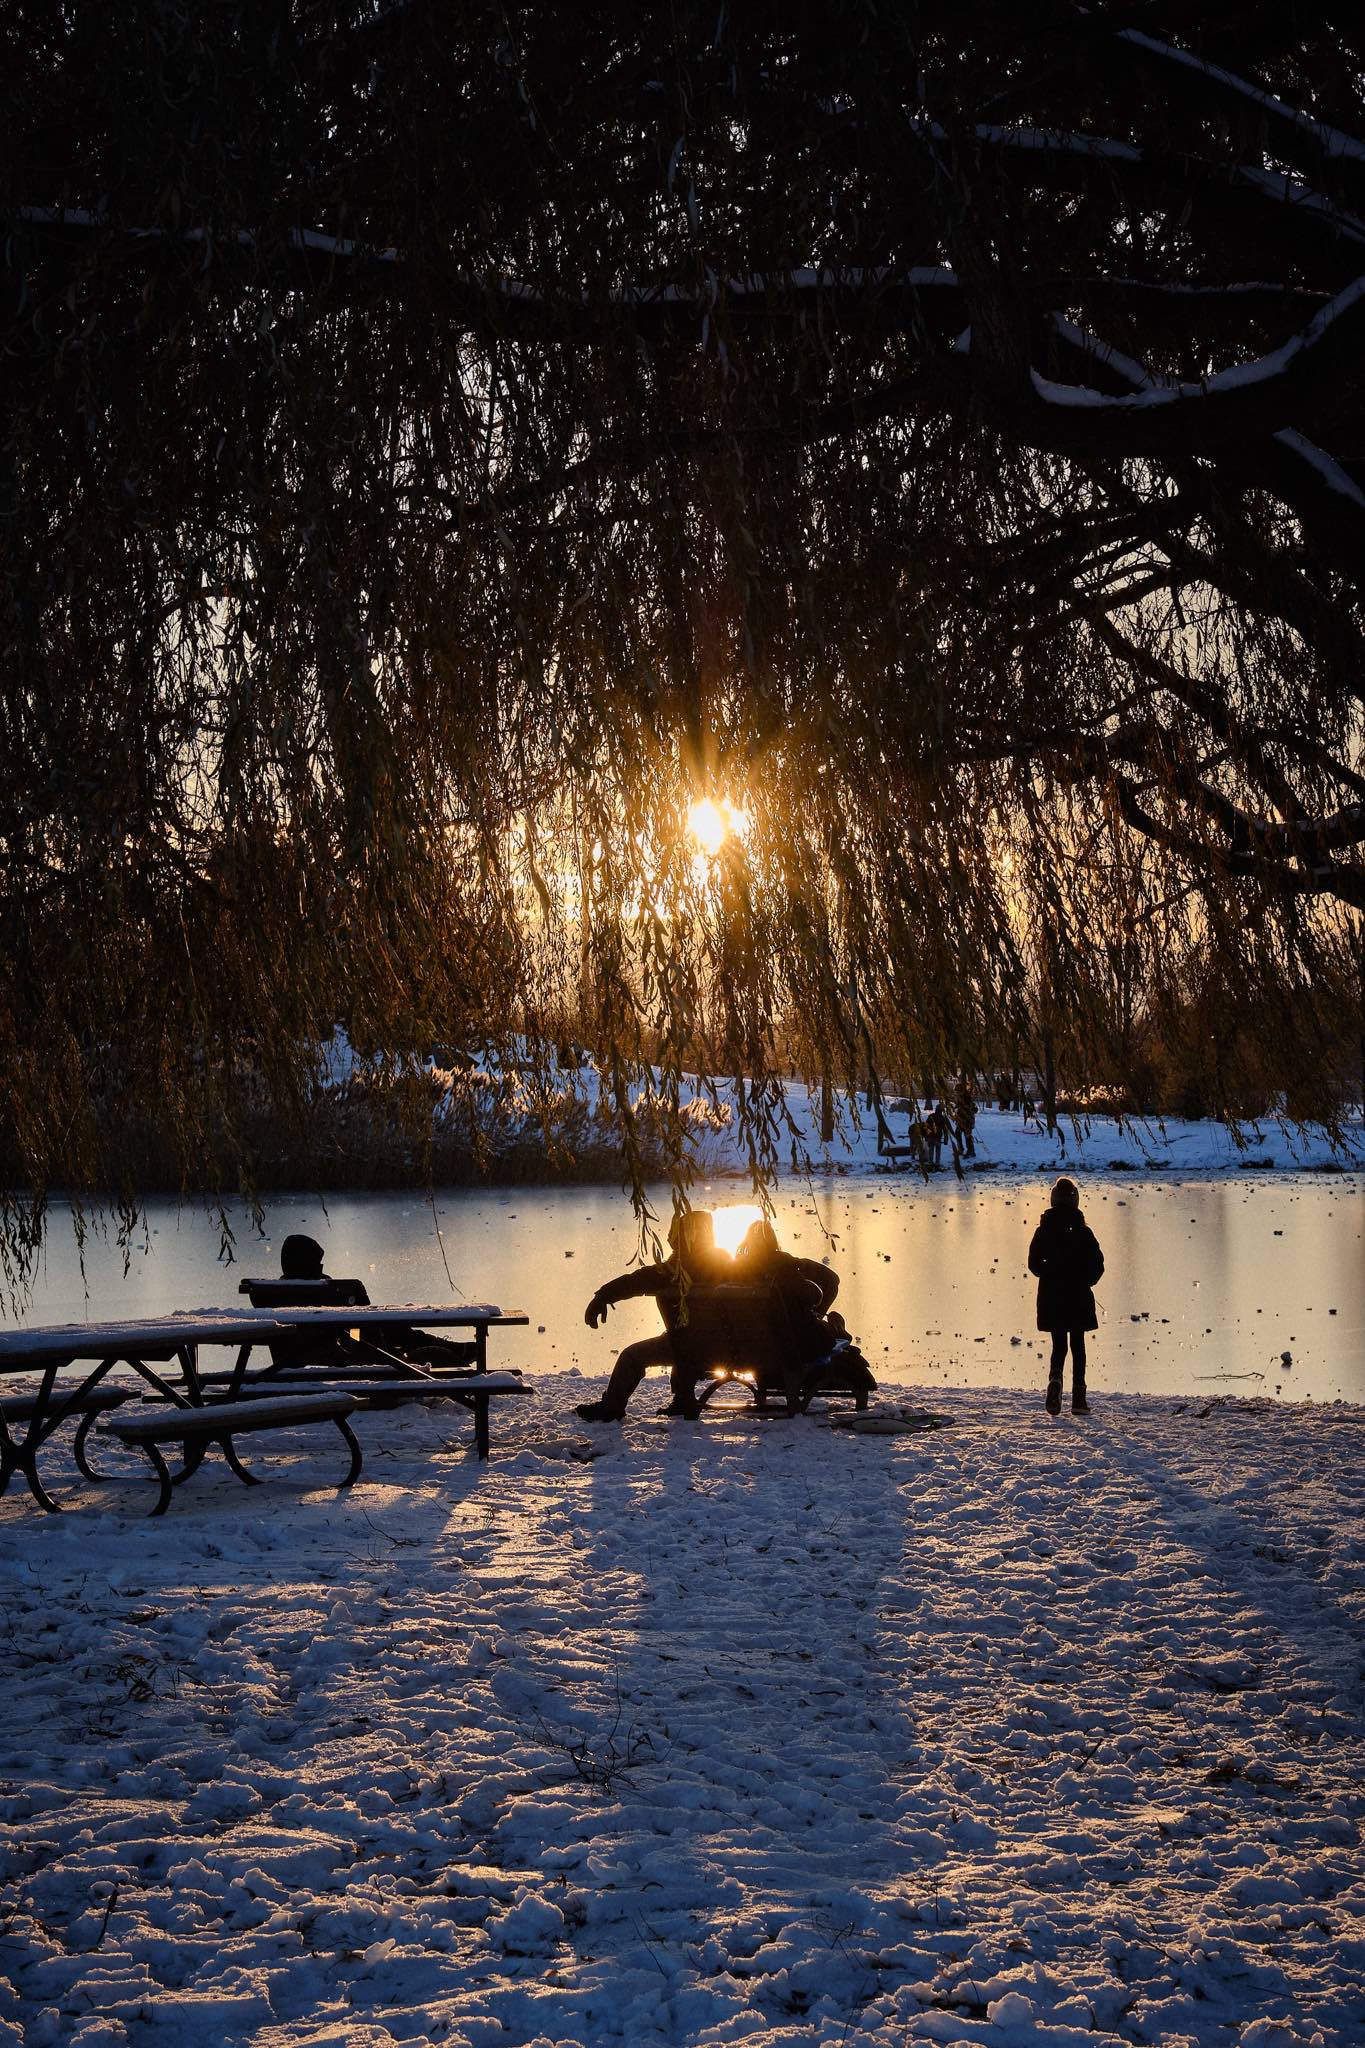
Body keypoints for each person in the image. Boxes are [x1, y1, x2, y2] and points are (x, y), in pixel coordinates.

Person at [575, 1210, 731, 1422]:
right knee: (680, 1336)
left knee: (633, 1356)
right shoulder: (728, 1264)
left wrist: (602, 1297)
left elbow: (634, 1282)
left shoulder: (671, 1271)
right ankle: (682, 1399)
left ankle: (611, 1408)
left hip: (688, 1349)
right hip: (727, 1347)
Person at [1027, 1178, 1104, 1415]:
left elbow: (1034, 1264)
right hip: (1078, 1295)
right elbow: (1098, 1264)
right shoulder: (1083, 1231)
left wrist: (1050, 1274)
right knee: (1078, 1345)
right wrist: (1085, 1279)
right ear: (1075, 1200)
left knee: (1059, 1344)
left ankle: (1055, 1381)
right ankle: (1079, 1398)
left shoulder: (1043, 1230)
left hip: (1052, 1296)